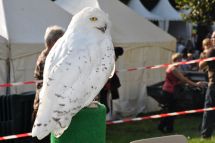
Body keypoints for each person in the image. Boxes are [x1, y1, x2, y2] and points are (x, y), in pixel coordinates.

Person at [32, 25, 65, 143]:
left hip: (47, 107)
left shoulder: (50, 56)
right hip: (45, 109)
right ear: (52, 42)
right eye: (61, 41)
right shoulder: (47, 60)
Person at [158, 53, 203, 133]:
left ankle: (166, 127)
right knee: (171, 111)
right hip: (170, 91)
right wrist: (196, 84)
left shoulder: (172, 67)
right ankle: (165, 127)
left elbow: (180, 79)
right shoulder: (173, 69)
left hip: (168, 90)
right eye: (180, 59)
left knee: (170, 110)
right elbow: (183, 79)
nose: (181, 61)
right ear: (176, 60)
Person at [98, 47, 124, 120]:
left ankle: (113, 114)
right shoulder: (108, 57)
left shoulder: (109, 55)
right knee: (105, 98)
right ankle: (107, 116)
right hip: (106, 81)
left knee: (113, 97)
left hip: (110, 81)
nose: (116, 58)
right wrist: (107, 82)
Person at [199, 47, 215, 139]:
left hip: (213, 85)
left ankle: (205, 135)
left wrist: (205, 60)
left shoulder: (212, 51)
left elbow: (201, 66)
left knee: (209, 111)